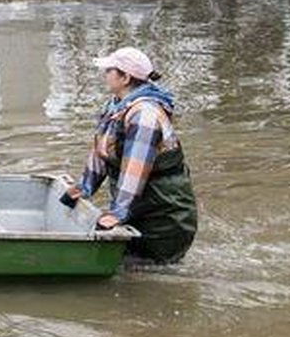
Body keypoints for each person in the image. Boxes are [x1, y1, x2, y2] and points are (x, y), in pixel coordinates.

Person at [66, 46, 197, 263]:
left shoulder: (145, 114)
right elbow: (101, 149)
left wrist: (117, 213)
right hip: (140, 207)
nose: (104, 75)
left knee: (151, 273)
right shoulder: (116, 105)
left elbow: (134, 171)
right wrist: (84, 187)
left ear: (125, 77)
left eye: (109, 70)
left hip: (164, 215)